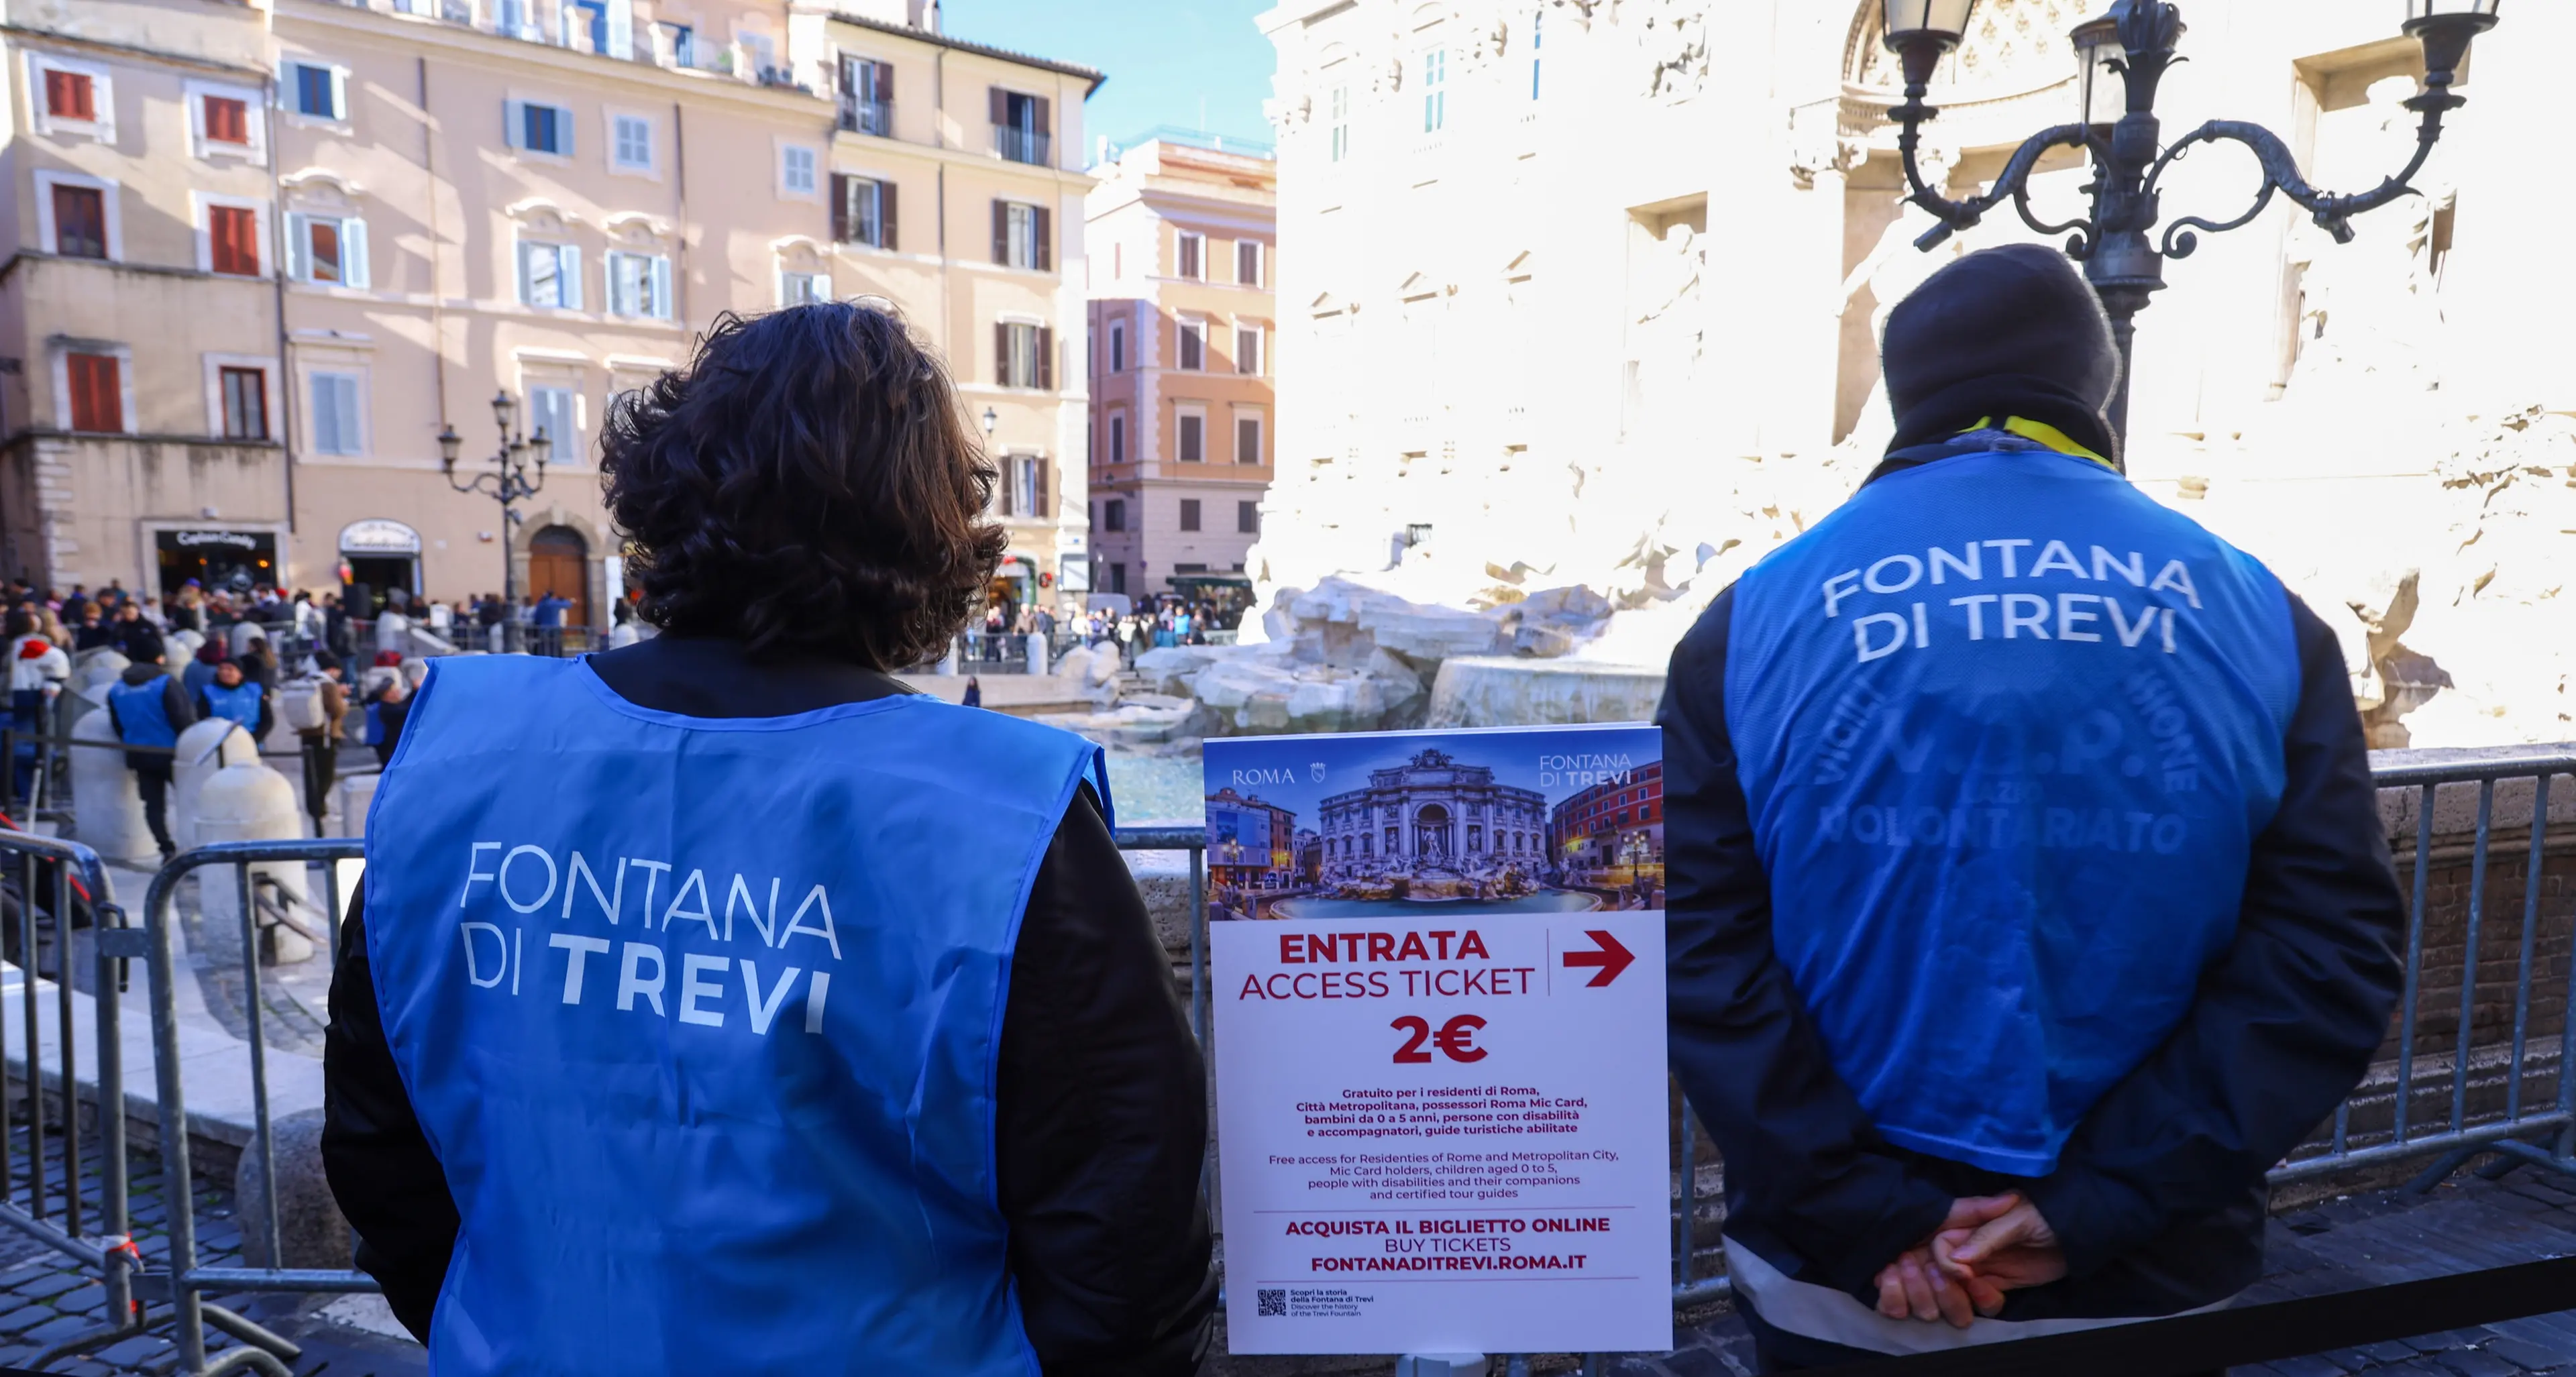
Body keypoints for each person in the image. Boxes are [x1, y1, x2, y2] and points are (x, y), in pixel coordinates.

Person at [321, 302, 1212, 1375]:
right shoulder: (997, 812)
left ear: (664, 492)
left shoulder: (458, 755)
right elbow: (1122, 1224)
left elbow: (379, 1145)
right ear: (928, 531)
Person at [1656, 244, 2406, 1372]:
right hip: (2148, 1255)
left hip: (1849, 1273)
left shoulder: (1753, 615)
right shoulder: (2261, 610)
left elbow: (1691, 937)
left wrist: (1873, 1210)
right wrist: (2100, 1199)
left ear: (1905, 397)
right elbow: (2329, 946)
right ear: (2094, 387)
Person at [104, 632, 196, 860]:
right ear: (159, 658)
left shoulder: (116, 689)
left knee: (153, 805)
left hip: (139, 753)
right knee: (189, 799)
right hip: (172, 751)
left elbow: (117, 725)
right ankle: (194, 845)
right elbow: (181, 717)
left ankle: (165, 847)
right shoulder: (165, 683)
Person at [6, 608, 68, 801]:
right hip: (23, 696)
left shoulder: (27, 643)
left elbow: (58, 661)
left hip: (26, 696)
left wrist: (52, 684)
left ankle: (33, 794)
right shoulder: (24, 643)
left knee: (23, 746)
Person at [197, 657, 273, 740]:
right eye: (221, 669)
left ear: (240, 674)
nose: (224, 672)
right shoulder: (208, 692)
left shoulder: (255, 690)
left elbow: (267, 719)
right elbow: (202, 720)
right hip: (219, 742)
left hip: (251, 741)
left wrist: (253, 739)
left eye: (230, 669)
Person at [364, 673, 410, 769]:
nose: (398, 692)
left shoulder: (390, 706)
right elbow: (407, 710)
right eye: (394, 690)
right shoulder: (388, 709)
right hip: (389, 745)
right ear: (388, 694)